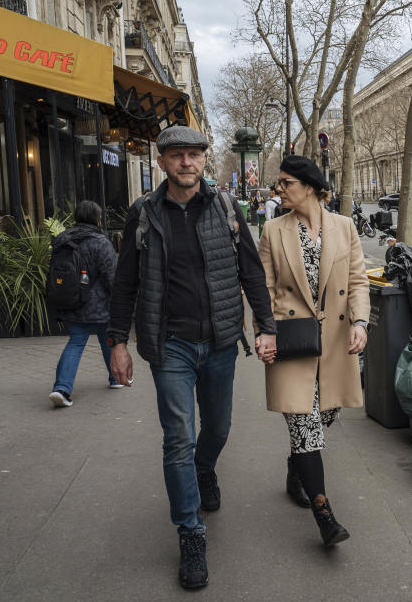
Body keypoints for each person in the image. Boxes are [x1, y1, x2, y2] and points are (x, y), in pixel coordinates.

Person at [108, 126, 277, 590]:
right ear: (161, 162)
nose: (187, 162)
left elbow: (252, 274)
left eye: (195, 154)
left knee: (218, 428)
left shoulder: (226, 208)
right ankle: (190, 533)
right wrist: (117, 342)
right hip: (170, 346)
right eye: (177, 155)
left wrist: (266, 326)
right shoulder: (144, 213)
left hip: (222, 340)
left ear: (205, 159)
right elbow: (124, 283)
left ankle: (205, 470)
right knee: (178, 439)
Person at [258, 155, 370, 548]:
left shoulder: (345, 227)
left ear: (308, 185)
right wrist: (264, 333)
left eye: (286, 182)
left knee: (325, 416)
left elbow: (357, 281)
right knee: (305, 425)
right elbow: (264, 289)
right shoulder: (273, 230)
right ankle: (324, 515)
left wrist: (360, 322)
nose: (280, 188)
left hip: (336, 343)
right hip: (292, 341)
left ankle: (296, 469)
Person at [48, 201, 120, 407]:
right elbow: (111, 275)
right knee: (107, 338)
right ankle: (116, 378)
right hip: (97, 304)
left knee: (76, 342)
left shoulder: (62, 240)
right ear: (97, 219)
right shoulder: (100, 241)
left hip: (69, 301)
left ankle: (61, 388)